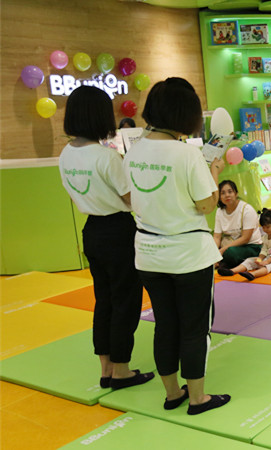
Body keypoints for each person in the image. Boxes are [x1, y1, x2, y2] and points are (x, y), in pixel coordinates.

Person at [124, 77, 228, 415]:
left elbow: (129, 197)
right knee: (195, 327)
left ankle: (172, 394)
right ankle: (197, 398)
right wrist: (214, 171)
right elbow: (206, 204)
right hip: (188, 255)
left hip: (148, 254)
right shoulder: (186, 154)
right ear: (186, 114)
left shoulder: (133, 150)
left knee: (165, 325)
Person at [59, 86, 153, 391]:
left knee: (104, 300)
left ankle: (106, 369)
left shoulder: (66, 154)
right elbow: (131, 199)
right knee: (126, 301)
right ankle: (122, 371)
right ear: (98, 116)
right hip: (118, 232)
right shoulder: (107, 157)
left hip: (92, 231)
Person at [217, 209, 271, 281]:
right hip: (268, 258)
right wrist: (260, 259)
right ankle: (232, 271)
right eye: (263, 227)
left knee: (268, 267)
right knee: (250, 260)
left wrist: (266, 262)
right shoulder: (266, 236)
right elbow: (264, 249)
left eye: (268, 227)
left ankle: (253, 274)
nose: (265, 230)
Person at [213, 180, 262, 268]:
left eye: (230, 192)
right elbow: (217, 237)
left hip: (251, 246)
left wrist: (222, 250)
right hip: (230, 245)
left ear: (236, 194)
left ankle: (223, 263)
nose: (227, 195)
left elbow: (245, 238)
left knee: (230, 253)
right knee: (208, 251)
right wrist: (214, 254)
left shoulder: (246, 209)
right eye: (223, 193)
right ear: (219, 197)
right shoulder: (219, 211)